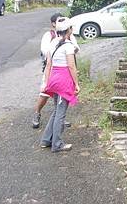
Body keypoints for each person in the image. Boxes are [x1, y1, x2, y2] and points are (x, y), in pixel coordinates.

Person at [32, 12, 79, 128]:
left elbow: (76, 48)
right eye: (59, 21)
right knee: (45, 93)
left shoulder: (69, 36)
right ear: (53, 23)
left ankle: (59, 119)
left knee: (60, 97)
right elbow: (45, 51)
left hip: (64, 71)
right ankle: (37, 113)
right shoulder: (49, 36)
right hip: (52, 69)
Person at [40, 17, 80, 152]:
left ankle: (46, 139)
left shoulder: (53, 43)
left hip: (54, 78)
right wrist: (77, 84)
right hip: (63, 80)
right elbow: (71, 66)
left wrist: (46, 81)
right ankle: (57, 144)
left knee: (57, 110)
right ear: (69, 30)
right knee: (61, 113)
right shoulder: (68, 46)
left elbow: (48, 65)